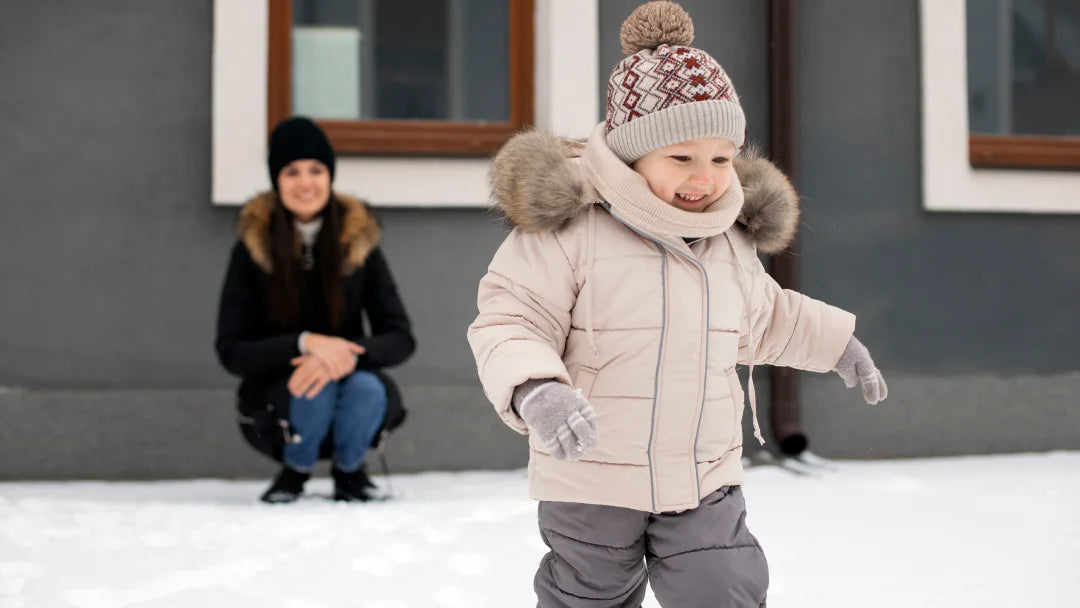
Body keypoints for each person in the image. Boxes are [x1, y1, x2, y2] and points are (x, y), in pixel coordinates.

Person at [466, 2, 887, 606]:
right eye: (682, 158)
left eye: (720, 158)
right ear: (634, 155)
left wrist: (838, 344)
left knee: (724, 587)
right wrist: (536, 388)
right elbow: (511, 317)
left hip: (702, 476)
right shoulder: (572, 228)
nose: (706, 177)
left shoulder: (728, 237)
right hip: (593, 476)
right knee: (588, 593)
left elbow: (766, 317)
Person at [216, 116, 415, 504]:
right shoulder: (252, 249)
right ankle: (296, 468)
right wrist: (306, 344)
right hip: (280, 395)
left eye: (316, 169)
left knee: (365, 389)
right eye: (292, 171)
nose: (305, 182)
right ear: (277, 180)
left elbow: (400, 337)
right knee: (311, 387)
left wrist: (343, 355)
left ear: (330, 175)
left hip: (351, 378)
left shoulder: (359, 241)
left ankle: (350, 472)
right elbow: (231, 348)